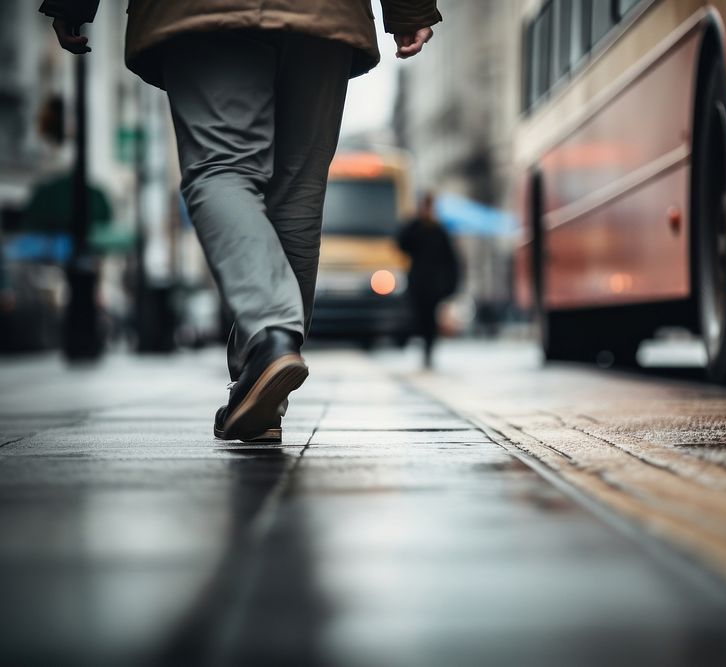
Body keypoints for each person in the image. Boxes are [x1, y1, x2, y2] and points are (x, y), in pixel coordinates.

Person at [40, 0, 442, 443]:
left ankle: (268, 339)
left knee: (221, 167)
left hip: (202, 12)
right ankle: (264, 391)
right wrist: (409, 9)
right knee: (298, 194)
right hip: (324, 14)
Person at [397, 193, 460, 369]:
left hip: (434, 285)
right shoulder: (415, 228)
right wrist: (412, 221)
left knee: (430, 319)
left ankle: (428, 349)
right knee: (418, 316)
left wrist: (450, 285)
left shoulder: (439, 231)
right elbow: (401, 244)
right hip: (417, 282)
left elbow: (450, 260)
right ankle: (419, 344)